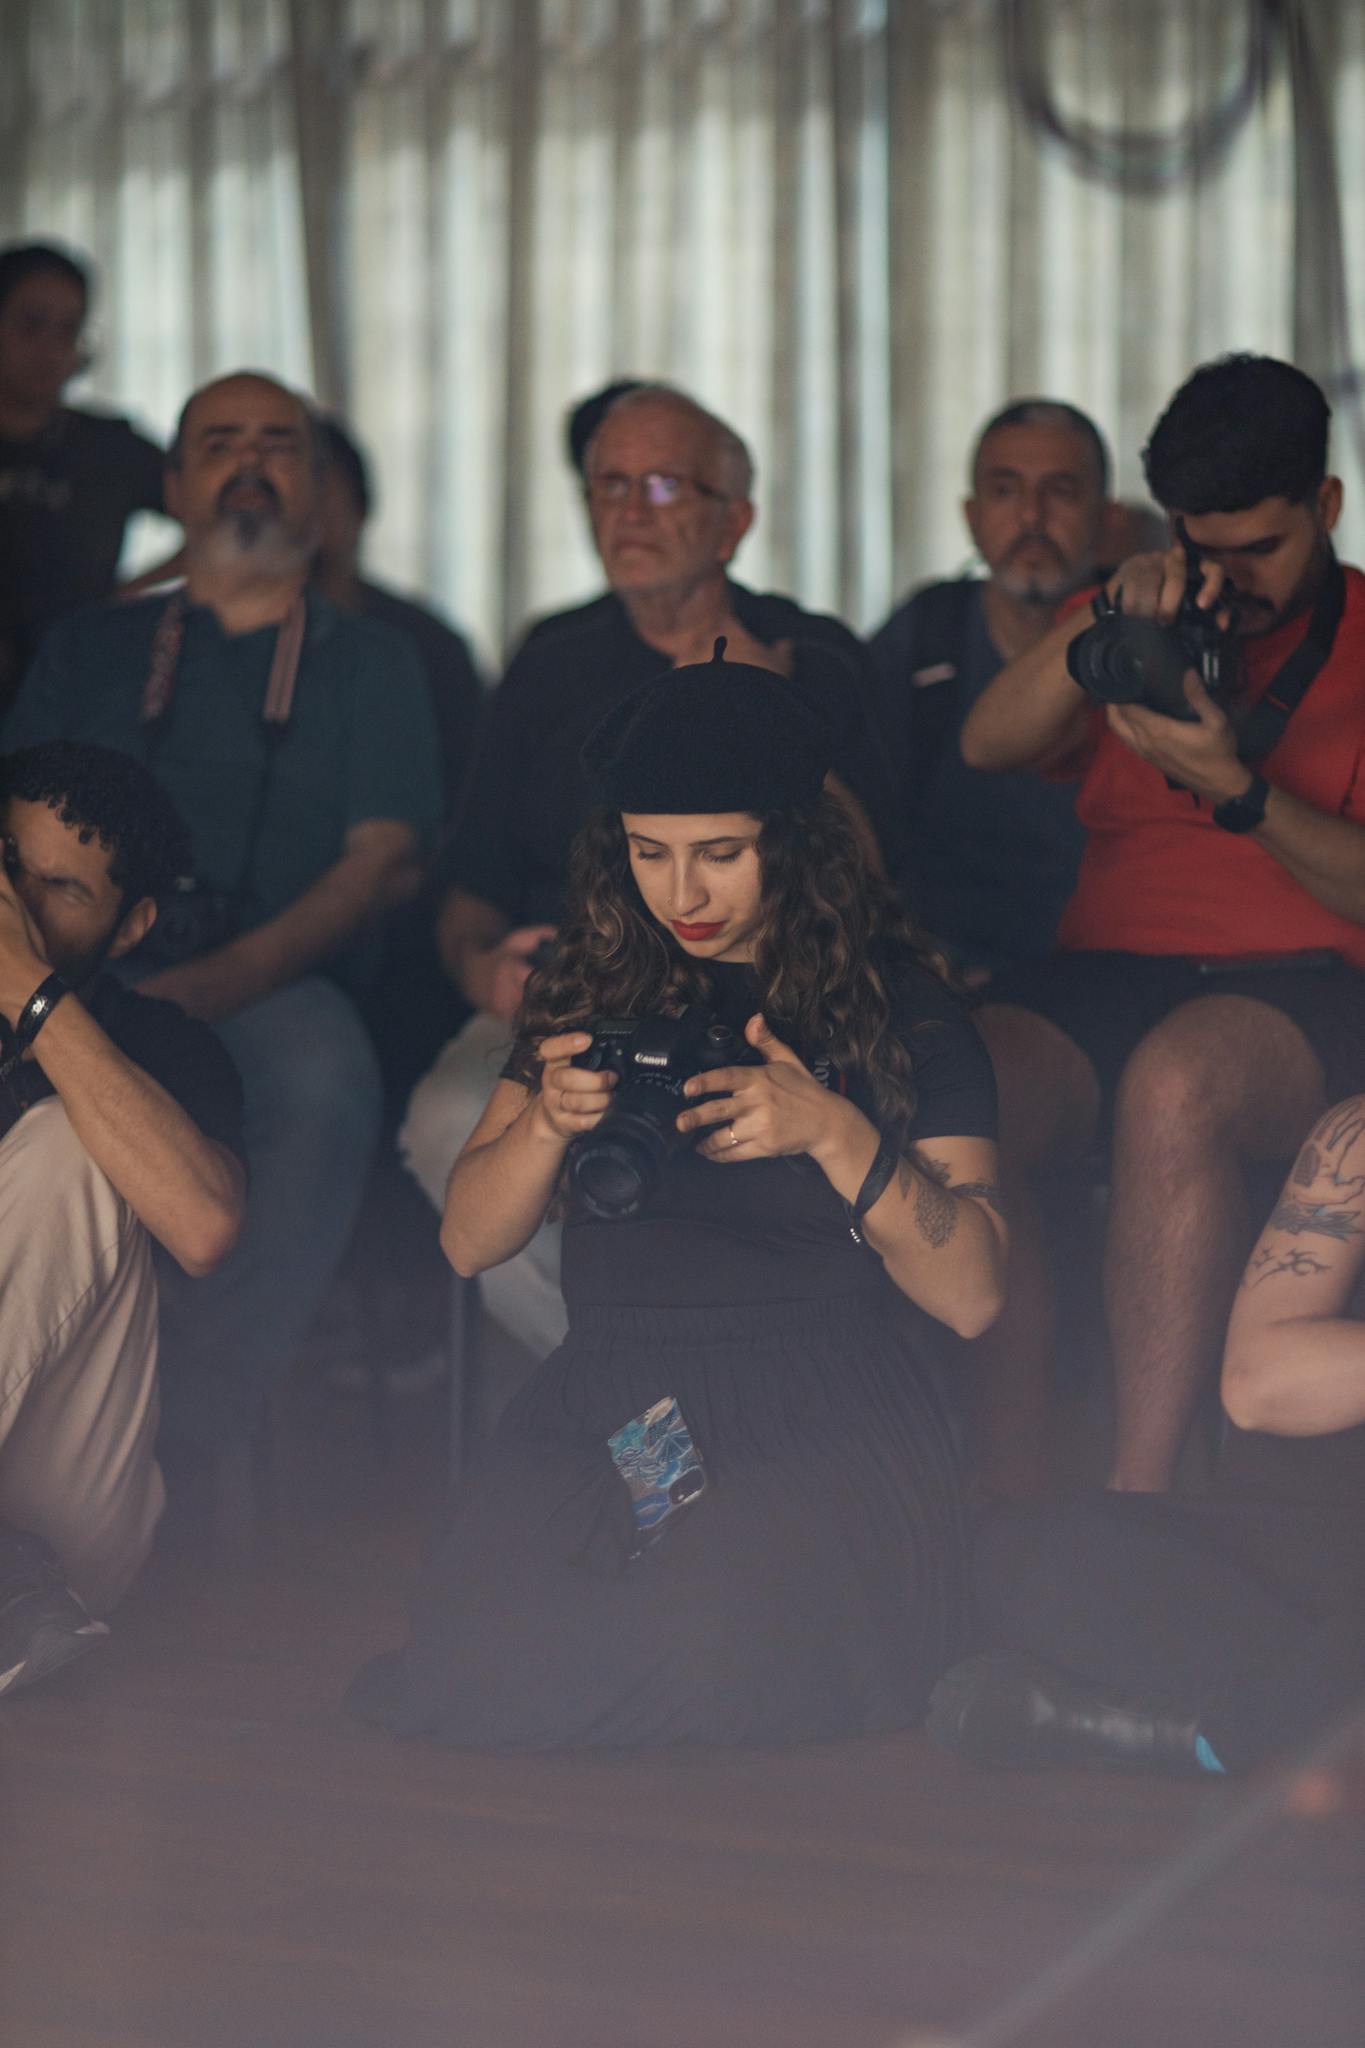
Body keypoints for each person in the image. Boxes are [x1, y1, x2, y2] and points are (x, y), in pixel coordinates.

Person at [348, 647, 1005, 1749]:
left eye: (720, 854)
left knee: (712, 1642)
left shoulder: (905, 1011)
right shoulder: (592, 985)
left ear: (791, 847)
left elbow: (975, 1292)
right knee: (484, 1632)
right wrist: (548, 1121)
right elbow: (469, 1239)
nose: (682, 893)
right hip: (635, 1411)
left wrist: (835, 1131)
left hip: (814, 1410)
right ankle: (655, 1594)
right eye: (650, 853)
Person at [402, 381, 901, 1356]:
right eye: (609, 485)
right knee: (444, 1121)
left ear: (735, 518)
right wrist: (480, 968)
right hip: (573, 999)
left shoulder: (814, 651)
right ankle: (630, 1386)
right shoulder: (552, 658)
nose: (629, 512)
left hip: (768, 1002)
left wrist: (769, 702)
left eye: (664, 486)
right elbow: (469, 883)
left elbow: (871, 877)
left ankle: (715, 1391)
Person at [1, 371, 441, 1462]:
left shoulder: (374, 659)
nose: (250, 462)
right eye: (219, 443)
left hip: (271, 982)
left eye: (278, 444)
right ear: (175, 479)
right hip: (67, 957)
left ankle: (193, 1426)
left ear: (318, 480)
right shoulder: (90, 646)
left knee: (323, 1074)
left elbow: (381, 861)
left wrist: (221, 979)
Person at [958, 354, 1365, 1500]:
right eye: (1205, 550)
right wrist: (1107, 610)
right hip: (1107, 969)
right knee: (957, 1080)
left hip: (1312, 982)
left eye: (1259, 551)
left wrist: (1238, 791)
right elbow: (987, 741)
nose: (1228, 584)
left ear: (1325, 508)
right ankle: (1014, 1495)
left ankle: (1140, 1508)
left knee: (1178, 1082)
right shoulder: (1150, 611)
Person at [929, 1095, 1365, 1778]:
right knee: (1022, 1554)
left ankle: (1198, 1734)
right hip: (1286, 1570)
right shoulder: (1354, 1135)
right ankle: (1301, 1719)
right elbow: (1259, 1384)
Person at [0, 740, 245, 1695]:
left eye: (60, 888)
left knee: (76, 1143)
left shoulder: (162, 1049)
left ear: (132, 924)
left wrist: (27, 991)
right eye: (8, 865)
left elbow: (204, 1227)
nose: (18, 903)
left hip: (58, 1516)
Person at [871, 399, 1113, 975]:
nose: (1032, 517)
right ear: (971, 515)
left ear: (1105, 517)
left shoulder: (1145, 631)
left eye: (1061, 492)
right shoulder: (923, 637)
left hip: (1112, 970)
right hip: (941, 974)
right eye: (1006, 492)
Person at [0, 242, 174, 714]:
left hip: (75, 697)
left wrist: (130, 594)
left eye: (68, 331)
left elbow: (215, 512)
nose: (50, 349)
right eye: (31, 325)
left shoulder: (108, 447)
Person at [313, 413, 485, 820]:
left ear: (360, 506)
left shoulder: (424, 645)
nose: (307, 512)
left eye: (322, 489)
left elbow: (470, 802)